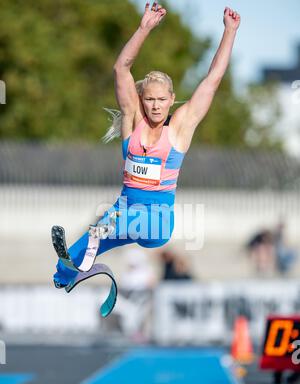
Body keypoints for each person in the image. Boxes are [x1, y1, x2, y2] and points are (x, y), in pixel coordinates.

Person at [53, 2, 241, 289]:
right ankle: (67, 275)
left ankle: (100, 235)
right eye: (150, 99)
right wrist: (144, 29)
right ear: (142, 100)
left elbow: (212, 80)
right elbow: (121, 68)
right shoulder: (132, 121)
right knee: (68, 259)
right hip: (123, 211)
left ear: (171, 99)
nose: (155, 106)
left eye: (162, 100)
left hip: (157, 223)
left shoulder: (179, 128)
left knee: (111, 224)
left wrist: (229, 32)